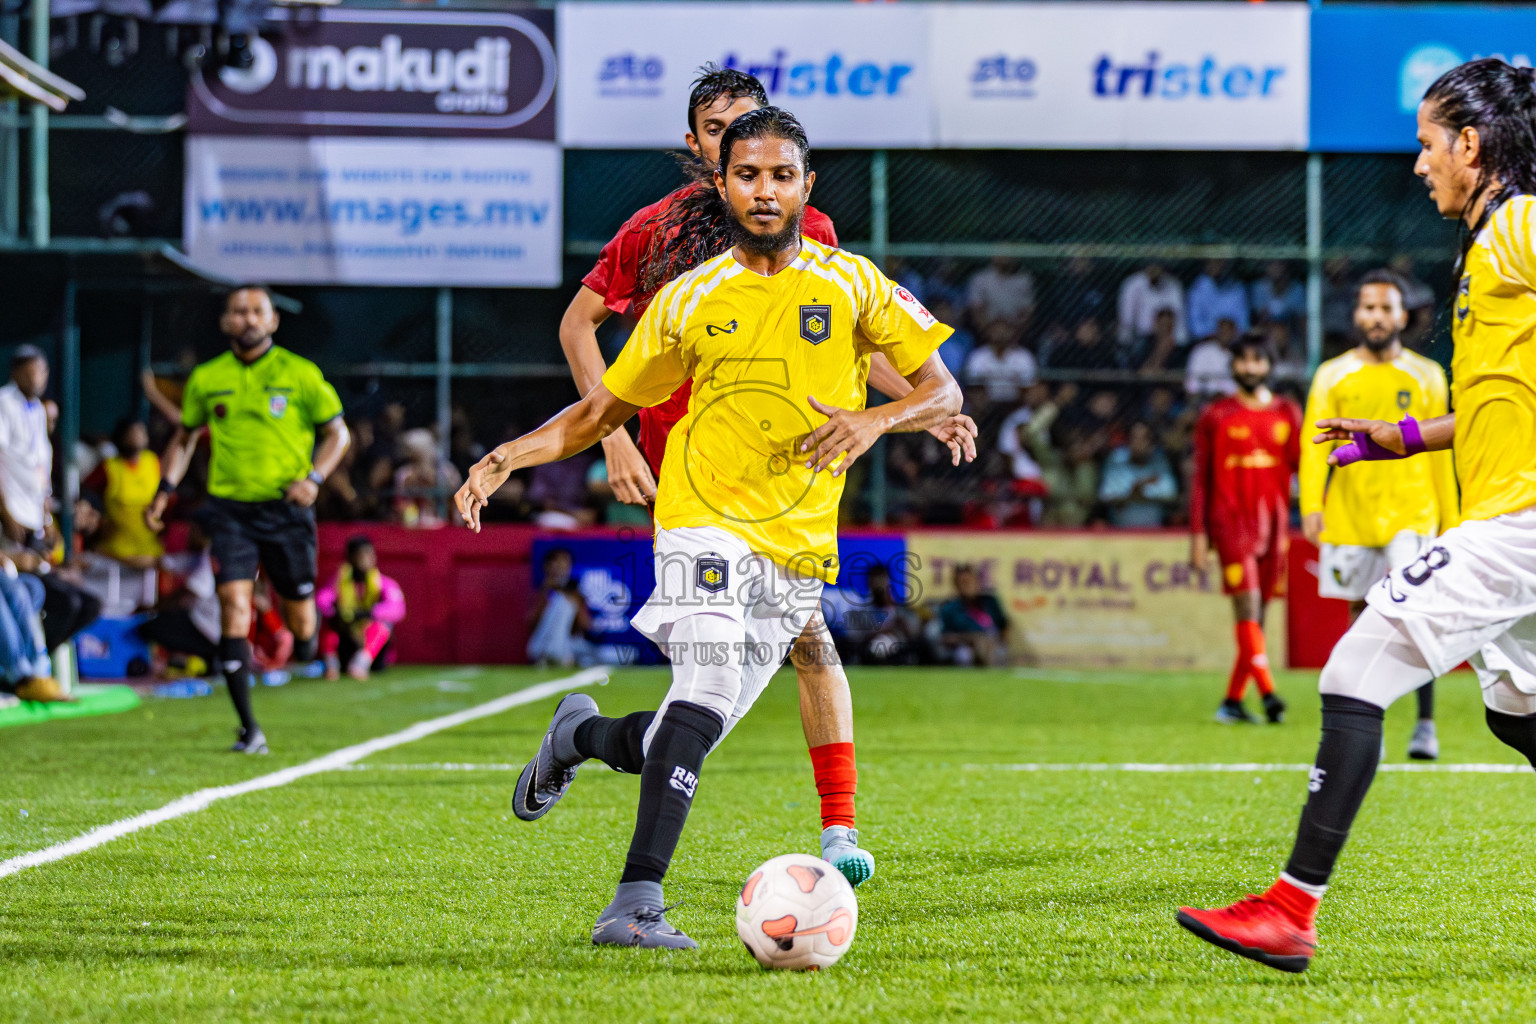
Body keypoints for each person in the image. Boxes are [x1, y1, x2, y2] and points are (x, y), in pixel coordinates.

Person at [458, 107, 961, 948]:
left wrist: (879, 421)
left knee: (691, 726)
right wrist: (509, 455)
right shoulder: (688, 299)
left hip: (795, 547)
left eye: (781, 176)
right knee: (708, 687)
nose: (765, 192)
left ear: (807, 186)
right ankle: (634, 903)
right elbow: (601, 411)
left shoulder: (855, 284)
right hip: (701, 523)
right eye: (748, 176)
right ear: (721, 184)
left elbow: (942, 390)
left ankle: (578, 735)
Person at [556, 64, 977, 888]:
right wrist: (610, 437)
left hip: (787, 468)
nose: (745, 151)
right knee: (759, 668)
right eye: (722, 132)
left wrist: (919, 398)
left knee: (723, 697)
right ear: (697, 150)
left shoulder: (804, 223)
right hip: (694, 476)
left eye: (757, 132)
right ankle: (813, 833)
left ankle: (591, 744)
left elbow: (843, 328)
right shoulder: (655, 232)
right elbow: (579, 324)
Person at [1177, 60, 1536, 973]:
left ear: (1471, 144)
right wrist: (1408, 436)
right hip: (1509, 510)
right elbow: (1500, 401)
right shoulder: (1489, 243)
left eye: (1426, 145)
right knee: (1518, 711)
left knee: (1354, 666)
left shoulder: (1524, 225)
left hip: (1522, 521)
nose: (1419, 165)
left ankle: (1290, 909)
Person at [146, 285, 350, 755]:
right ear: (225, 322)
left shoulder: (300, 374)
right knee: (234, 608)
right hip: (230, 512)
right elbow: (185, 438)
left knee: (301, 623)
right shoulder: (207, 377)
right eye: (239, 311)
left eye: (257, 310)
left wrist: (315, 478)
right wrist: (165, 490)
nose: (248, 318)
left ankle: (307, 642)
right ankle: (248, 729)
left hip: (287, 510)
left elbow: (338, 433)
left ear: (273, 320)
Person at [1301, 269, 1459, 760]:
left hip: (1412, 513)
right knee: (1359, 616)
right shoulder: (1332, 373)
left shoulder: (1428, 375)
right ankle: (1370, 723)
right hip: (1350, 516)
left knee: (1413, 613)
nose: (1376, 316)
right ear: (1356, 315)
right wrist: (1311, 504)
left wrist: (1451, 517)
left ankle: (1426, 724)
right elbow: (1313, 445)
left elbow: (1441, 452)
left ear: (1403, 316)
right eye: (1368, 307)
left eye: (1386, 307)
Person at [1189, 332, 1301, 725]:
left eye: (1258, 360)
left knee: (1258, 618)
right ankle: (1269, 694)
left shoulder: (1288, 413)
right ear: (1232, 365)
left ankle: (1233, 702)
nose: (1250, 367)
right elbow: (1201, 480)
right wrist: (1199, 537)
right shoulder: (1216, 415)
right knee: (1248, 608)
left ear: (1269, 366)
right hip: (1231, 525)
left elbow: (1306, 467)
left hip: (1275, 528)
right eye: (1243, 360)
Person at [316, 535, 404, 681]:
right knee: (329, 625)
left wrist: (369, 613)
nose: (365, 558)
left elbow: (397, 608)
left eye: (369, 553)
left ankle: (360, 664)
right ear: (350, 557)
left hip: (370, 647)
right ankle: (331, 665)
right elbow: (321, 601)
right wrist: (337, 613)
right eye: (360, 554)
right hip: (346, 640)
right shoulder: (338, 582)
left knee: (384, 626)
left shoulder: (383, 583)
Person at [82, 419, 163, 569]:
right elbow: (86, 493)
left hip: (150, 549)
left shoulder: (152, 461)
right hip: (115, 552)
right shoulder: (109, 467)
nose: (137, 436)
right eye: (132, 432)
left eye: (140, 431)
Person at [1098, 422, 1179, 528]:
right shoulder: (1116, 460)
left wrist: (1135, 493)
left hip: (1155, 532)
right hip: (1119, 532)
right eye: (1134, 438)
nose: (1137, 443)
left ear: (1151, 444)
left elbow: (1170, 494)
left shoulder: (1159, 461)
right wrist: (1136, 490)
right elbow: (1106, 495)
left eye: (1143, 439)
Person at [937, 564, 1010, 667]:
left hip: (992, 643)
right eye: (964, 582)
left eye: (971, 581)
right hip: (967, 646)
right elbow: (945, 637)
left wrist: (1000, 640)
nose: (968, 585)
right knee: (965, 654)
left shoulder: (990, 601)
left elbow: (1004, 624)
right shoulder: (950, 608)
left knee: (998, 651)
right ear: (957, 585)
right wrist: (970, 639)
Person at [1117, 263, 1186, 348]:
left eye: (1157, 267)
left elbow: (1180, 318)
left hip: (1165, 337)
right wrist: (1126, 343)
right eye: (1151, 267)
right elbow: (1126, 319)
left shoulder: (1173, 285)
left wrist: (1179, 344)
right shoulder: (1132, 284)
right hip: (1140, 337)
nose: (1154, 271)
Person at [1187, 259, 1251, 342]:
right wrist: (1217, 334)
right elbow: (1196, 328)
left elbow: (1244, 325)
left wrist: (1228, 333)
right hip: (1207, 342)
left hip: (1234, 342)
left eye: (1219, 262)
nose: (1215, 266)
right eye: (1211, 262)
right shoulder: (1197, 288)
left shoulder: (1238, 288)